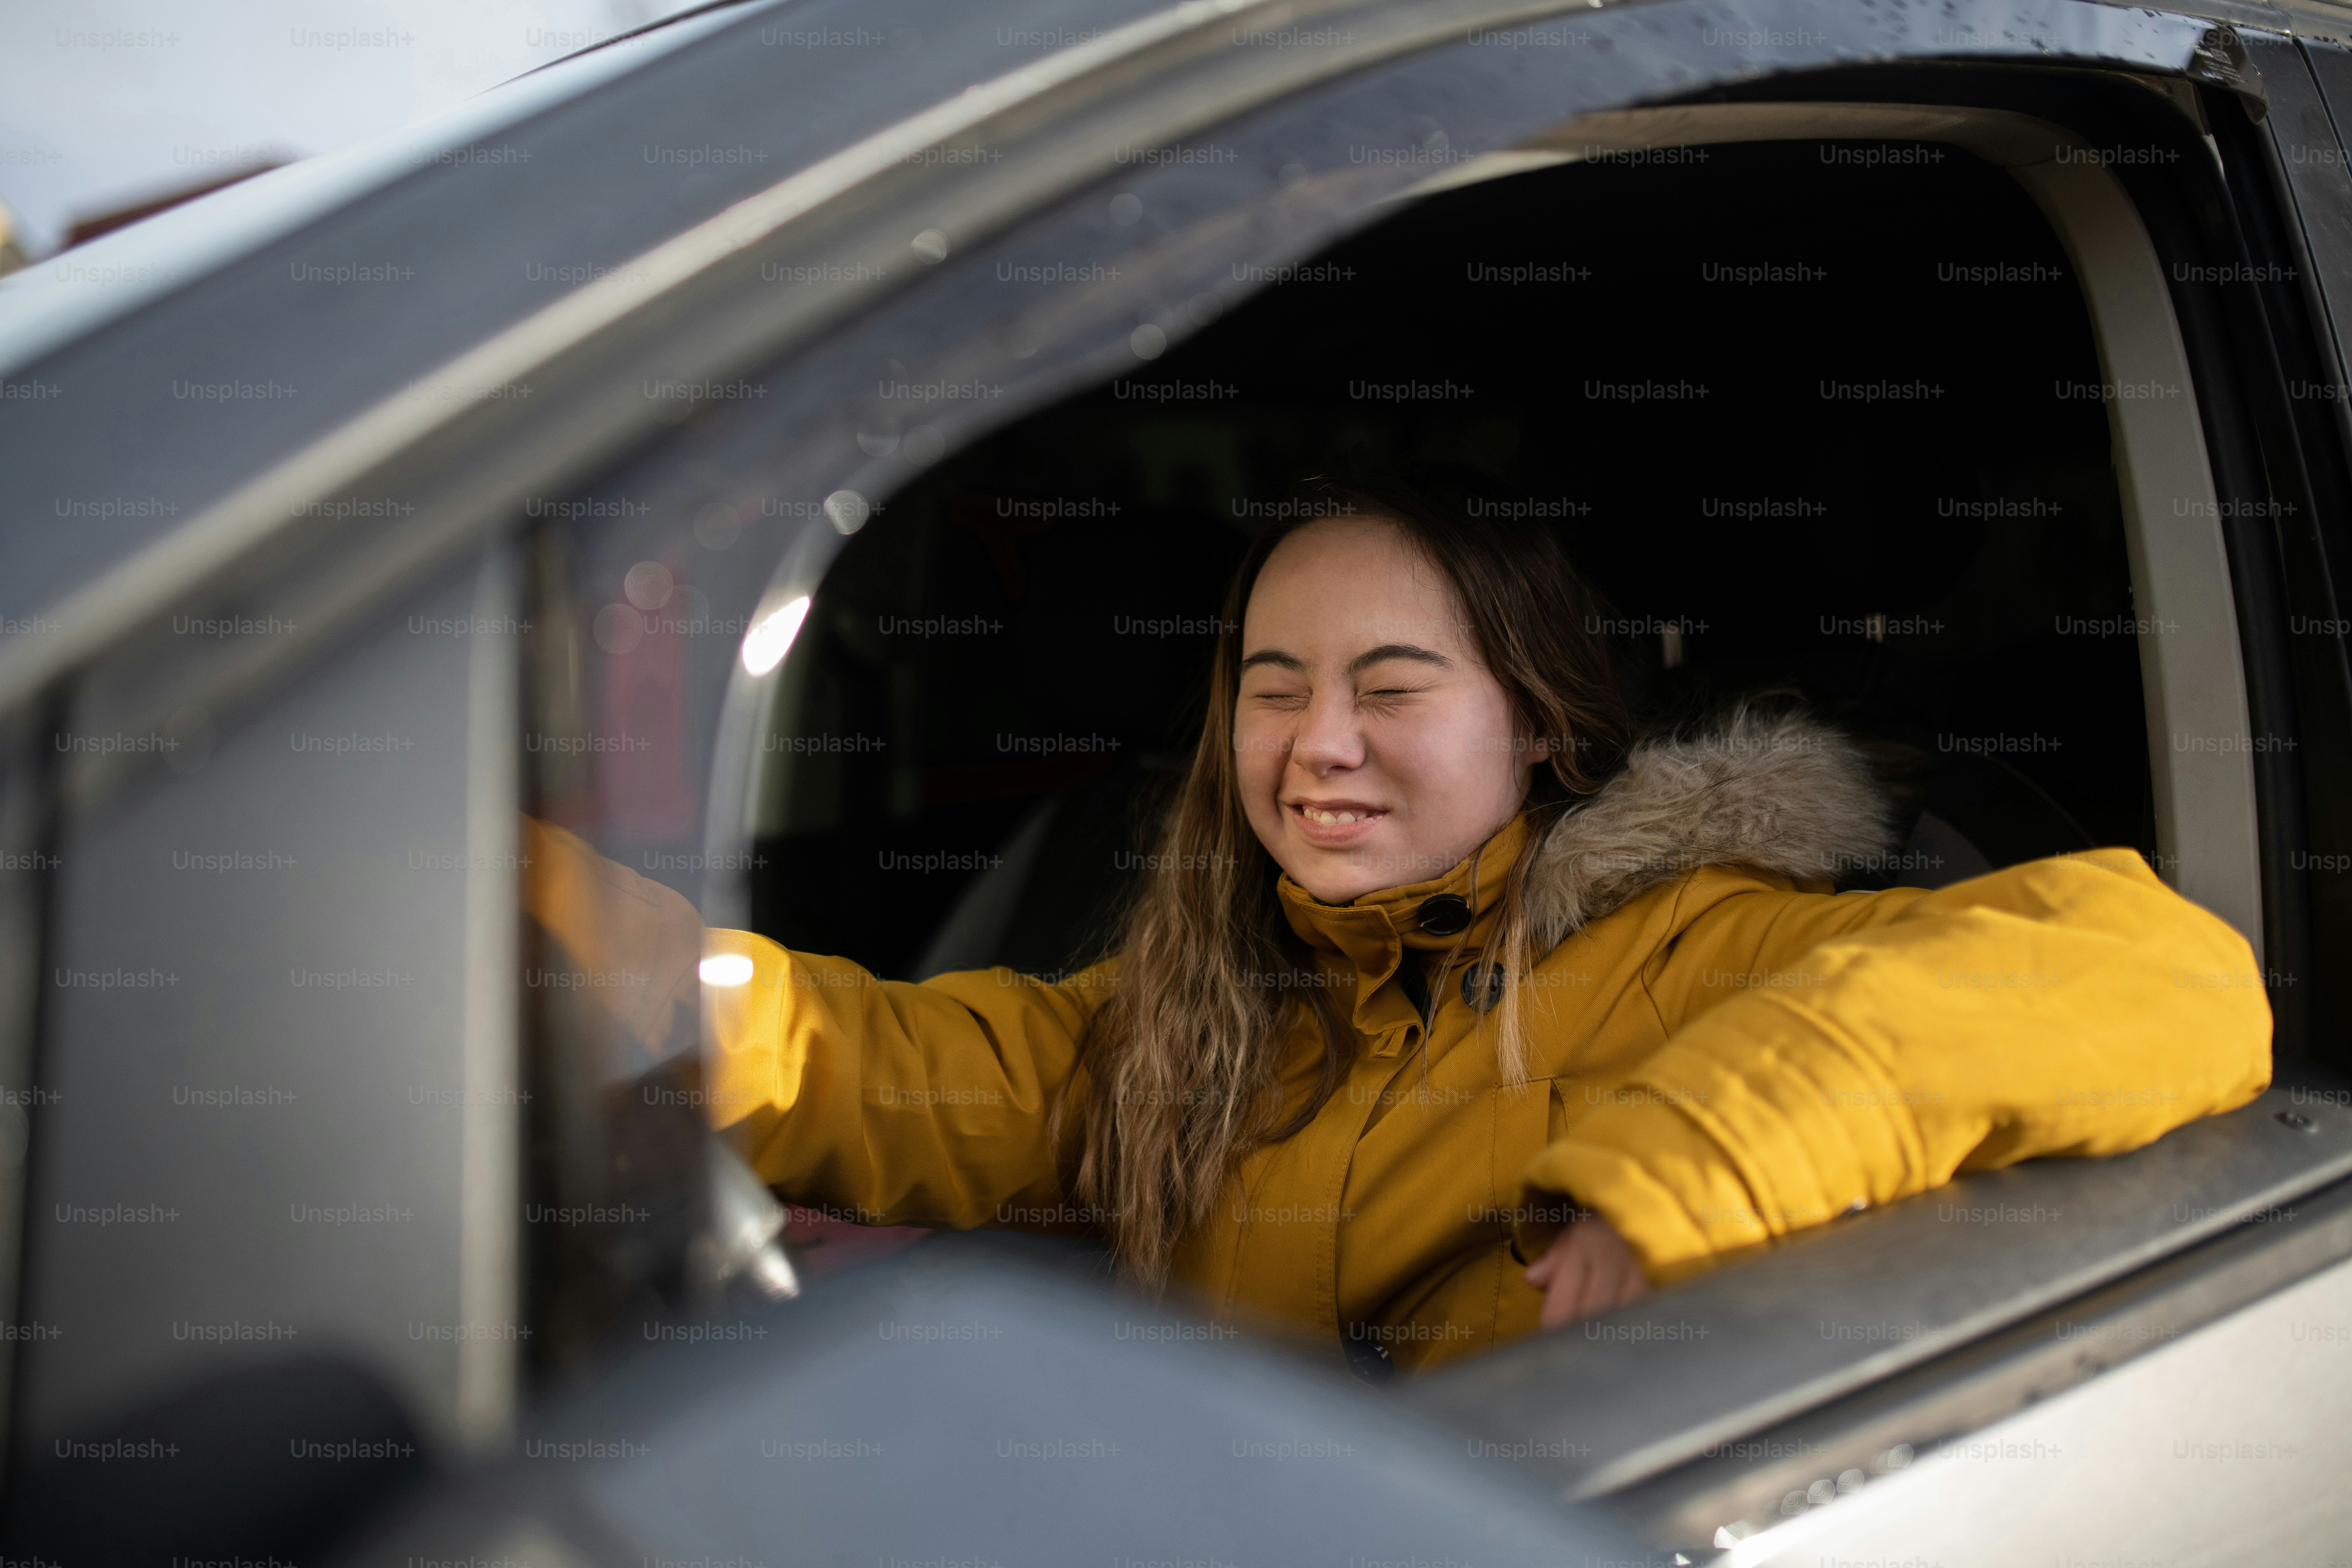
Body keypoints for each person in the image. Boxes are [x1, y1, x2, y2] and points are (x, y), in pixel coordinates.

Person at [540, 480, 2272, 1375]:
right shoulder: (1208, 1007)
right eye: (1273, 689)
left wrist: (1671, 1177)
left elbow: (2163, 971)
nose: (1319, 747)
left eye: (1391, 688)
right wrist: (538, 920)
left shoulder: (1685, 948)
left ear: (1533, 721)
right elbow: (874, 1060)